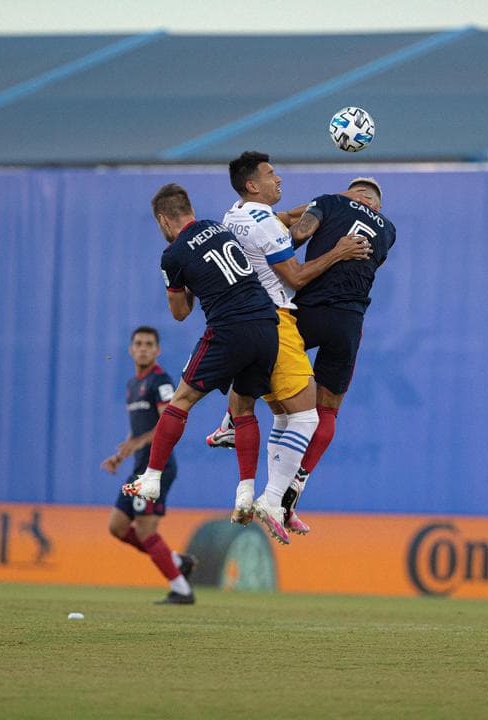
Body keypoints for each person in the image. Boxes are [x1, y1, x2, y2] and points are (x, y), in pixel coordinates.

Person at [205, 151, 372, 543]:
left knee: (284, 415)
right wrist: (339, 251)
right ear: (253, 185)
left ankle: (238, 433)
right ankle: (272, 497)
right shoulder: (265, 224)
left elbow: (280, 222)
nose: (278, 179)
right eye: (270, 174)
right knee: (307, 417)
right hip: (276, 321)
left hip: (249, 322)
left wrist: (321, 206)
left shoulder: (236, 215)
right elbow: (295, 276)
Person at [122, 183, 280, 562]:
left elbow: (180, 313)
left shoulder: (172, 253)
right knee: (243, 408)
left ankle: (152, 478)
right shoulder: (218, 227)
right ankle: (245, 492)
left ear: (163, 219)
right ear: (189, 209)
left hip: (229, 328)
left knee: (182, 400)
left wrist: (183, 280)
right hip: (266, 325)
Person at [274, 177, 397, 524]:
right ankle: (300, 479)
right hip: (348, 324)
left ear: (352, 195)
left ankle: (233, 422)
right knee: (328, 410)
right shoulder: (388, 230)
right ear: (376, 204)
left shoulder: (330, 202)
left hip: (310, 310)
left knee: (263, 350)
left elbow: (297, 234)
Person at [101, 326, 197, 605]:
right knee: (117, 527)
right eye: (138, 343)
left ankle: (181, 590)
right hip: (138, 468)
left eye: (149, 344)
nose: (143, 348)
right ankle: (177, 561)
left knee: (145, 530)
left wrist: (138, 443)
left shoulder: (161, 381)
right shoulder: (133, 385)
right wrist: (122, 453)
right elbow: (141, 430)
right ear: (131, 349)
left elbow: (168, 424)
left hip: (157, 468)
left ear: (158, 350)